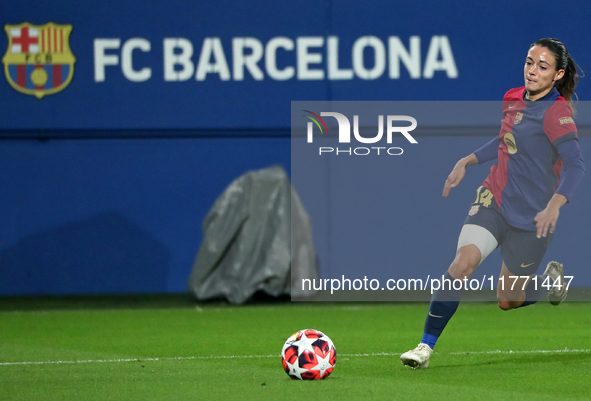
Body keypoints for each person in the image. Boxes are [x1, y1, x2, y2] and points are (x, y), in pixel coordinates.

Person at [400, 38, 586, 369]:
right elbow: (506, 140)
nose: (532, 70)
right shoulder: (512, 98)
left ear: (557, 75)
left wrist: (556, 204)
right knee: (461, 264)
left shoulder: (557, 114)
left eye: (542, 67)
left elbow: (576, 165)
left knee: (507, 300)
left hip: (532, 219)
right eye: (529, 62)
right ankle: (424, 347)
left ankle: (549, 284)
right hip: (494, 198)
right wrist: (467, 160)